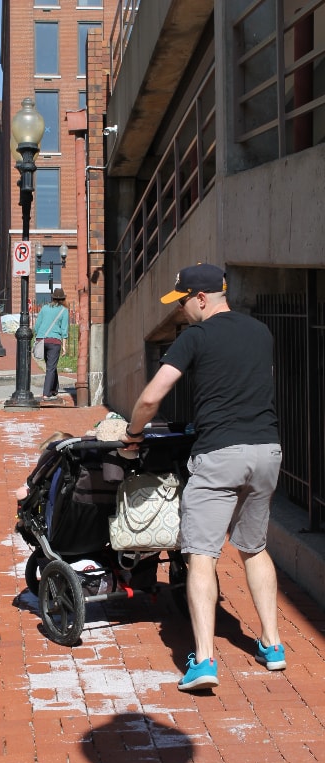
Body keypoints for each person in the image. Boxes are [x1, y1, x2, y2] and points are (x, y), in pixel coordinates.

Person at [123, 263, 284, 691]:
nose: (181, 312)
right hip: (267, 451)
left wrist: (132, 434)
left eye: (182, 302)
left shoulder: (195, 337)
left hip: (220, 455)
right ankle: (272, 645)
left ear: (201, 297)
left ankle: (205, 660)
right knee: (254, 547)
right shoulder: (260, 332)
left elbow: (152, 396)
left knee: (201, 554)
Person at [33, 288, 69, 400]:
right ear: (63, 299)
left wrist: (38, 337)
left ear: (52, 298)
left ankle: (54, 388)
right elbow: (64, 330)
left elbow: (37, 325)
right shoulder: (64, 311)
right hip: (54, 341)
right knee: (51, 368)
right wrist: (64, 346)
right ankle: (46, 393)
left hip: (42, 340)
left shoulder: (44, 308)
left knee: (51, 366)